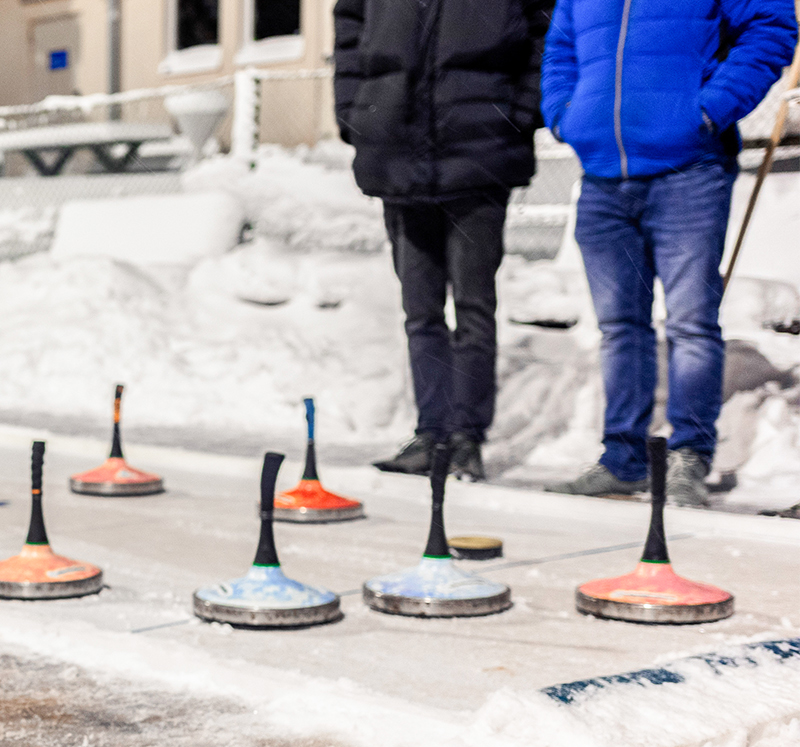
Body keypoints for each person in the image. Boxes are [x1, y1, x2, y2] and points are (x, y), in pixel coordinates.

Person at [542, 0, 796, 507]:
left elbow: (772, 26)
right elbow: (560, 50)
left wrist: (708, 109)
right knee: (618, 328)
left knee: (691, 323)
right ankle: (623, 459)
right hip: (602, 176)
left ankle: (689, 457)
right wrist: (567, 117)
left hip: (690, 173)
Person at [334, 0, 553, 483]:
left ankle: (466, 438)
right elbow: (349, 30)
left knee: (473, 307)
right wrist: (355, 114)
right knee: (421, 310)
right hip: (396, 150)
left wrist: (516, 113)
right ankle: (431, 431)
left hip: (479, 153)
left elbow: (545, 31)